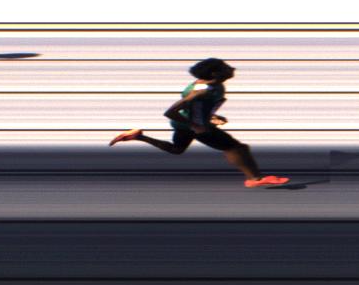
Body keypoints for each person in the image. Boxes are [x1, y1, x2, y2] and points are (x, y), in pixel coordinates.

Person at [108, 58, 291, 188]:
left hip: (191, 125)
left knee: (177, 150)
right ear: (215, 73)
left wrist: (211, 116)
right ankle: (254, 179)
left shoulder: (214, 85)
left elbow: (200, 107)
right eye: (226, 67)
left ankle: (138, 136)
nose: (232, 68)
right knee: (236, 147)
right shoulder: (201, 90)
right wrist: (195, 125)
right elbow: (170, 112)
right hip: (196, 127)